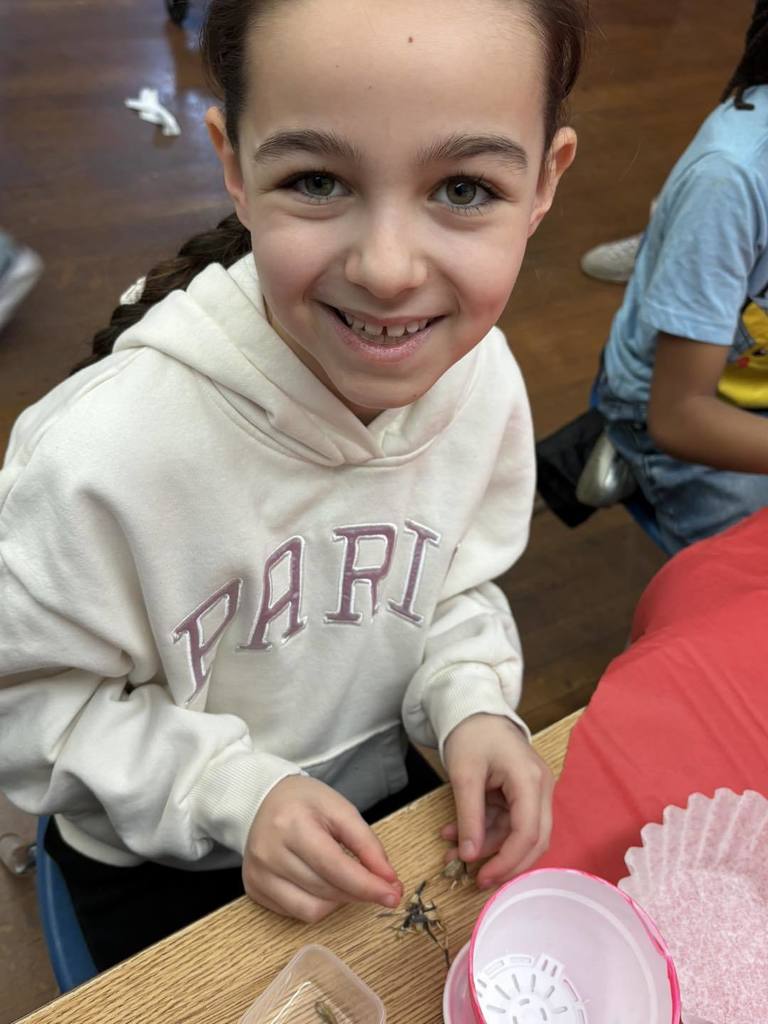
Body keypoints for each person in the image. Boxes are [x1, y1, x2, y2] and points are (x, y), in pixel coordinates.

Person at [0, 0, 583, 971]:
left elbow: (451, 583)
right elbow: (29, 704)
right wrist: (236, 792)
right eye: (317, 179)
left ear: (543, 182)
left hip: (374, 803)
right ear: (233, 161)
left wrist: (472, 700)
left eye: (466, 188)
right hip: (159, 859)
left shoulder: (482, 382)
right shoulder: (100, 456)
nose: (390, 270)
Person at [594, 0, 768, 553]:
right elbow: (680, 417)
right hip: (676, 409)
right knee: (740, 598)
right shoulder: (732, 179)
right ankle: (628, 450)